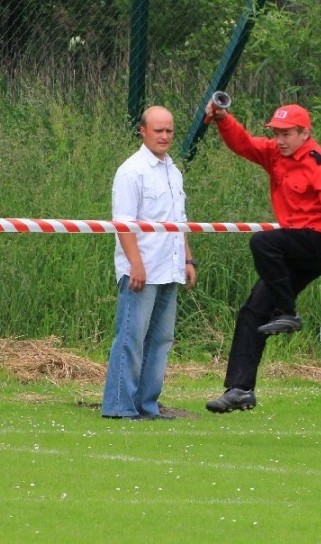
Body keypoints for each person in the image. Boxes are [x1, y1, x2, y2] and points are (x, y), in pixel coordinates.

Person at [203, 100, 321, 413]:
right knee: (252, 311)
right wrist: (222, 118)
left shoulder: (319, 163)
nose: (280, 139)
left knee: (263, 242)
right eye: (276, 133)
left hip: (319, 242)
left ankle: (288, 312)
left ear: (305, 133)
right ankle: (240, 389)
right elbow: (243, 144)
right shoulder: (274, 153)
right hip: (293, 243)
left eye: (286, 134)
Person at [102, 106, 196, 420]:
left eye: (169, 130)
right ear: (143, 131)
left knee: (161, 340)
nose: (165, 136)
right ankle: (119, 406)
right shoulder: (131, 171)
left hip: (170, 269)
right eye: (159, 130)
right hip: (142, 270)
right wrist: (135, 265)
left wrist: (188, 259)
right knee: (131, 338)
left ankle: (147, 406)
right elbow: (124, 223)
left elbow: (179, 222)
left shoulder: (173, 171)